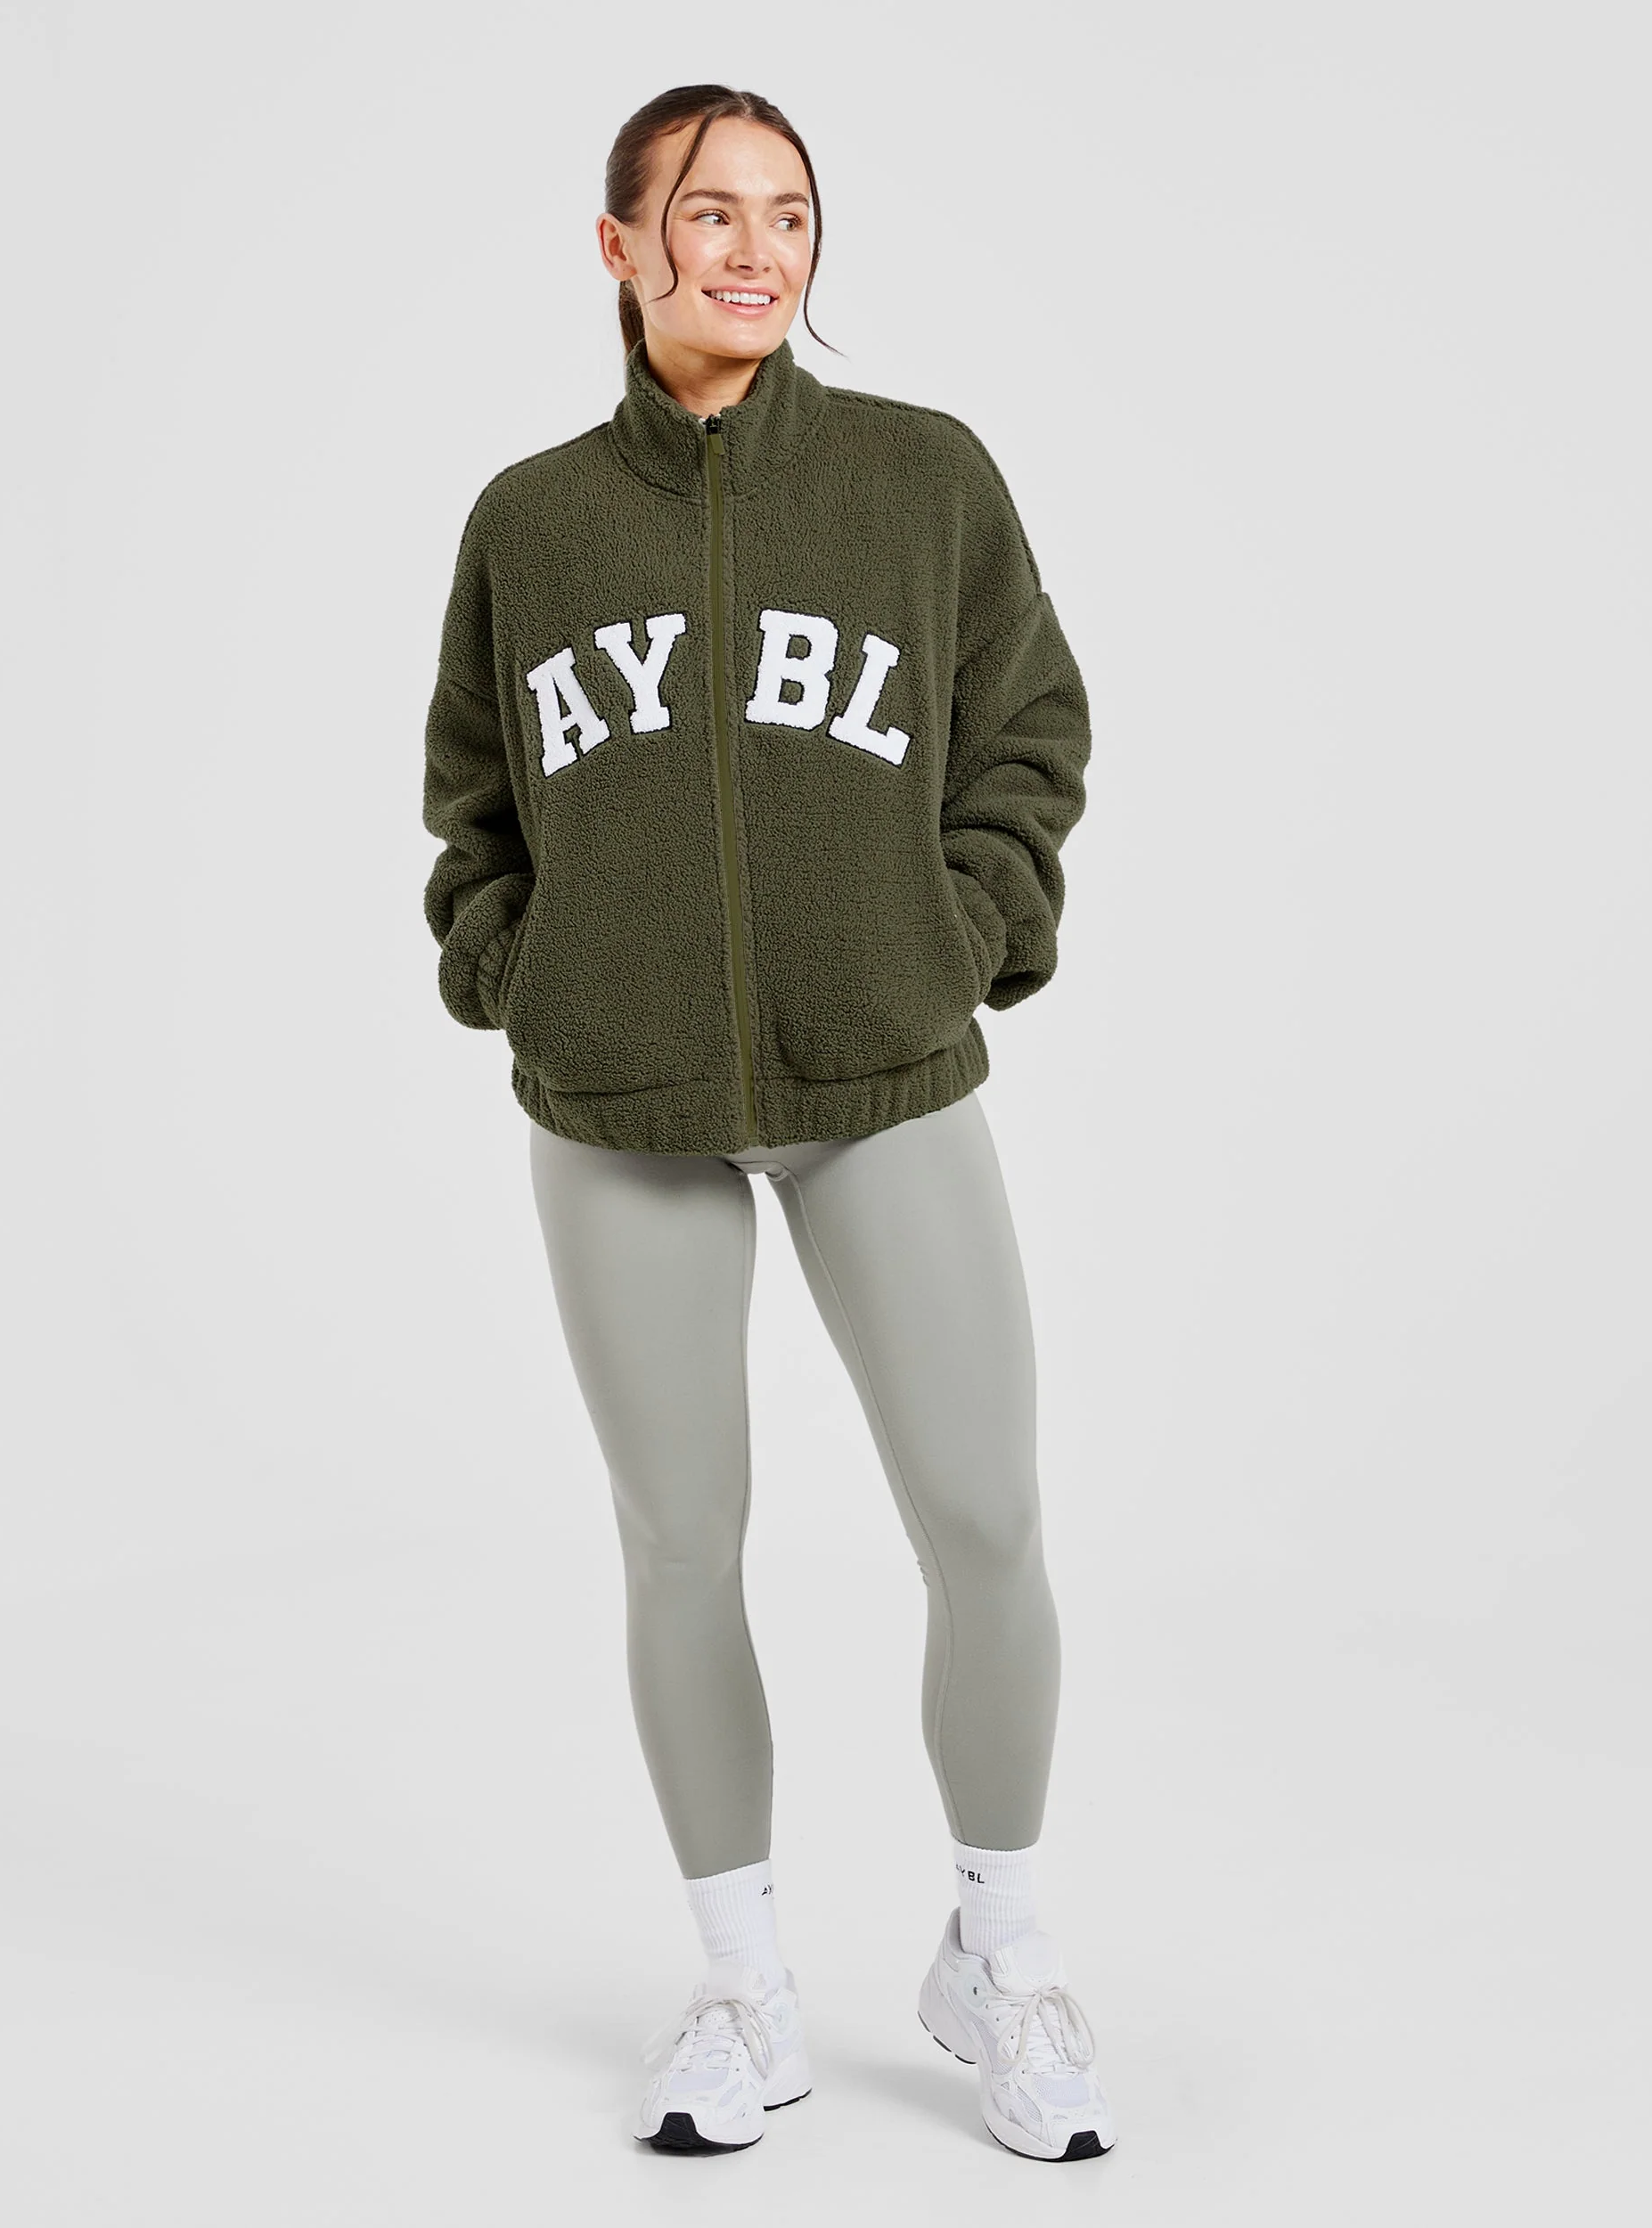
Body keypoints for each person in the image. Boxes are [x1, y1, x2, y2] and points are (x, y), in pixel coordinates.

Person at [420, 81, 1115, 2164]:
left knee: (982, 1518)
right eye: (708, 211)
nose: (754, 247)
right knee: (677, 1540)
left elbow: (1030, 725)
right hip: (621, 1095)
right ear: (620, 244)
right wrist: (516, 962)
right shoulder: (532, 523)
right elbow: (474, 797)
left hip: (874, 1067)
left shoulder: (920, 476)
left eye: (788, 212)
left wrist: (959, 930)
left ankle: (999, 1949)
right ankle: (741, 1986)